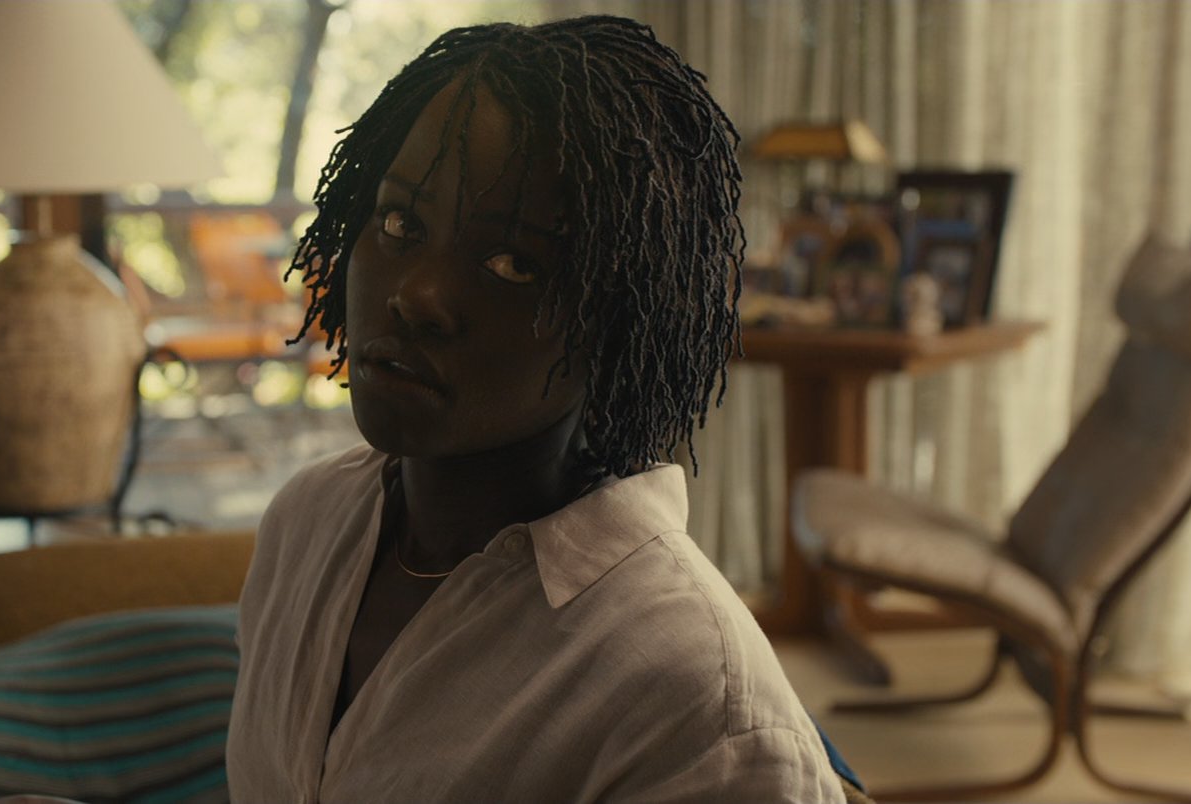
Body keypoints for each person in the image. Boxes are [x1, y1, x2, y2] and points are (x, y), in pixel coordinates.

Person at [228, 15, 847, 802]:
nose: (417, 295)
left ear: (621, 320)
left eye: (511, 263)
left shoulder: (696, 704)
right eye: (400, 222)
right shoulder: (307, 521)